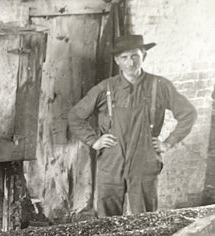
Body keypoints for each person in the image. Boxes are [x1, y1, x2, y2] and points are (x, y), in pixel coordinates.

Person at [68, 34, 197, 217]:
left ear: (144, 55)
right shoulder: (106, 88)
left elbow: (188, 113)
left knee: (145, 216)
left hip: (144, 159)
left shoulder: (159, 86)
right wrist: (94, 141)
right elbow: (75, 116)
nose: (130, 62)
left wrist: (168, 143)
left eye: (135, 56)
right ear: (117, 60)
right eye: (124, 57)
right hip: (112, 159)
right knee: (107, 216)